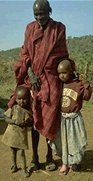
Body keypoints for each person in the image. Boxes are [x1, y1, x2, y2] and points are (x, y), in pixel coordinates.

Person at [8, 0, 69, 171]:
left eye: (42, 13)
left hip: (50, 78)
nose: (39, 17)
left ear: (49, 11)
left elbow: (61, 54)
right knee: (34, 120)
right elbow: (25, 53)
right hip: (32, 78)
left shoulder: (59, 28)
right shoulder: (29, 28)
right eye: (36, 14)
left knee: (50, 120)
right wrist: (31, 74)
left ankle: (49, 156)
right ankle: (35, 157)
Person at [49, 59, 92, 175]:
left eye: (64, 73)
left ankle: (73, 163)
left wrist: (86, 84)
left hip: (74, 119)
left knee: (74, 141)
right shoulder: (58, 84)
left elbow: (87, 97)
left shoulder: (78, 84)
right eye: (59, 73)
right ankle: (64, 163)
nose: (61, 76)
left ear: (71, 71)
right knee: (63, 141)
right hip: (61, 119)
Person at [2, 86, 33, 177]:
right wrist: (14, 121)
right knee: (12, 151)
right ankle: (14, 165)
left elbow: (31, 123)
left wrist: (26, 123)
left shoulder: (28, 111)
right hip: (11, 134)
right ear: (15, 99)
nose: (21, 101)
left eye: (24, 99)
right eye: (19, 99)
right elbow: (6, 118)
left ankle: (24, 169)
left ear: (28, 99)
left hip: (21, 136)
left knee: (21, 152)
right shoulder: (14, 108)